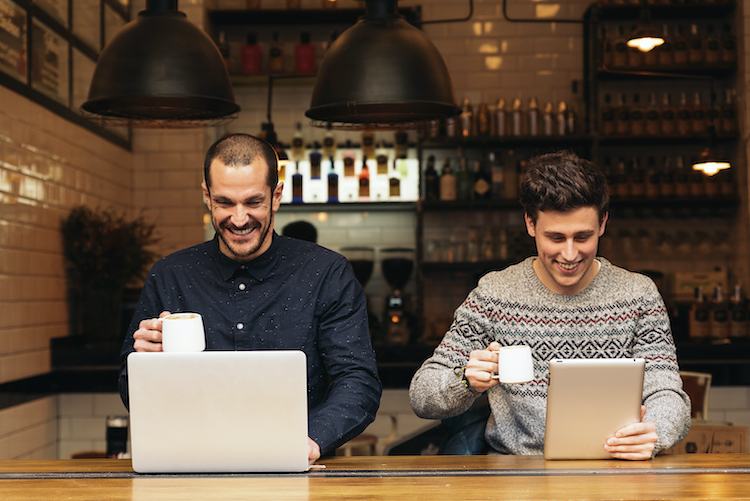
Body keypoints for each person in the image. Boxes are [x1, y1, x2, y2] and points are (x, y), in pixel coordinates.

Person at [409, 150, 690, 460]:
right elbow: (422, 395)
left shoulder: (638, 295)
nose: (569, 254)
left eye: (582, 237)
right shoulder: (494, 294)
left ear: (603, 223)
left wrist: (655, 432)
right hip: (514, 477)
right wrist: (465, 379)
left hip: (616, 471)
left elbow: (666, 392)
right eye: (555, 237)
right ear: (530, 224)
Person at [118, 133, 382, 463]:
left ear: (276, 196)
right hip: (190, 466)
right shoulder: (170, 275)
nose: (239, 219)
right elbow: (131, 389)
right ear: (207, 196)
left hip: (301, 467)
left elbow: (357, 380)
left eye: (253, 202)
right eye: (225, 202)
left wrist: (311, 441)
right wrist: (144, 365)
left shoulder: (327, 272)